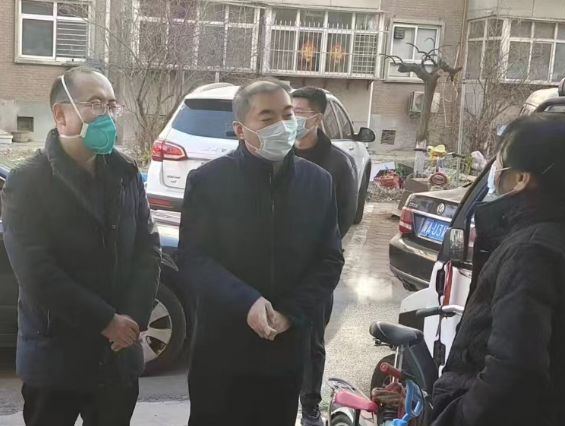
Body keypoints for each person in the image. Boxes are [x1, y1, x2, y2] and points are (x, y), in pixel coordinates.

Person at [431, 115, 565, 426]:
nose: (494, 171)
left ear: (521, 178)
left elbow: (512, 374)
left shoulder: (532, 251)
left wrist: (457, 416)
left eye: (500, 163)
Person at [179, 79, 345, 426]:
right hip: (221, 349)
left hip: (284, 351)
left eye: (288, 115)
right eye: (267, 118)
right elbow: (195, 258)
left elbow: (329, 260)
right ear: (241, 129)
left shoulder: (318, 182)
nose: (282, 125)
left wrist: (289, 313)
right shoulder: (209, 180)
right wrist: (248, 302)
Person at [2, 66, 161, 426]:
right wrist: (105, 321)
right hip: (55, 360)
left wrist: (132, 319)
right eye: (96, 104)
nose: (108, 115)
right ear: (61, 114)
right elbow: (36, 273)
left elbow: (148, 249)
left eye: (111, 105)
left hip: (118, 356)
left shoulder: (125, 173)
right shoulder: (28, 182)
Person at [291, 87, 357, 426]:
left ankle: (310, 406)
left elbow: (343, 217)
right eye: (290, 111)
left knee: (311, 340)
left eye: (300, 112)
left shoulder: (338, 164)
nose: (292, 118)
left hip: (316, 266)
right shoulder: (278, 154)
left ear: (317, 117)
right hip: (275, 265)